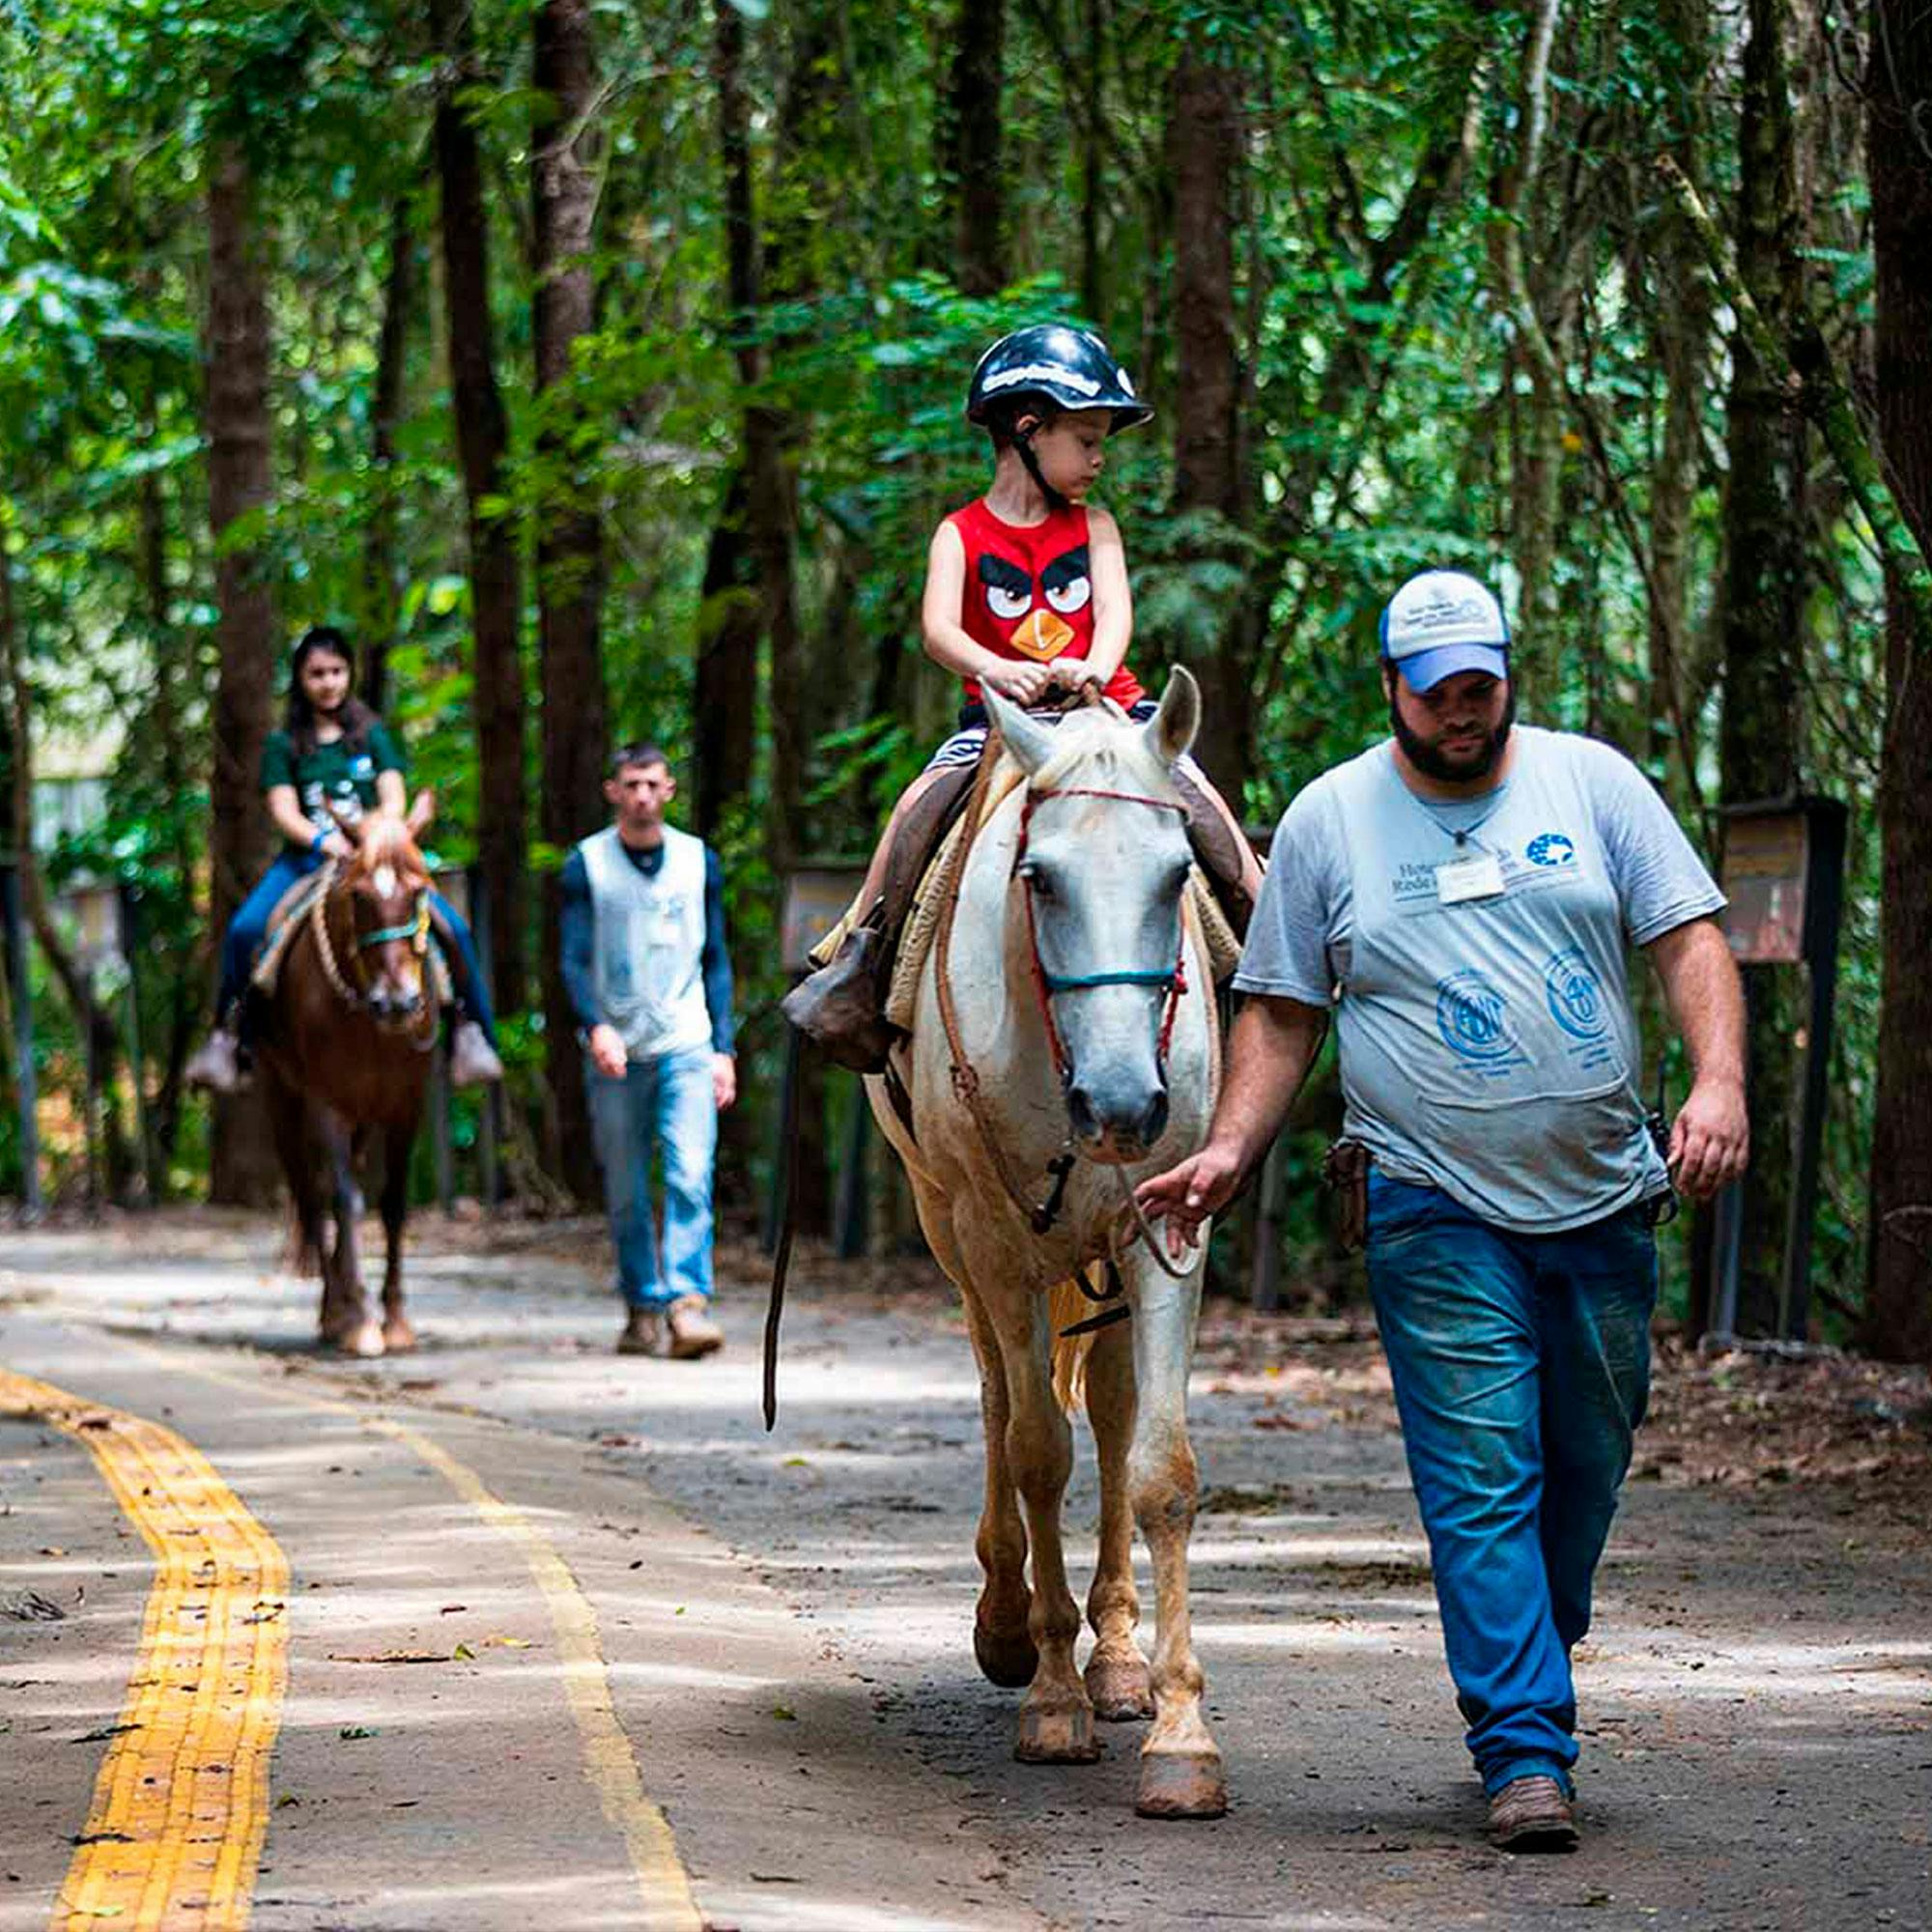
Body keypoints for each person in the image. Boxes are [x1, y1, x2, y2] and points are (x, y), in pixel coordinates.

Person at [1136, 569, 1749, 1852]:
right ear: (1391, 690)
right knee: (1482, 1479)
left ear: (1507, 673)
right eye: (1436, 693)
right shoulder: (1331, 819)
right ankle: (1523, 1745)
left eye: (1481, 685)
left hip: (1602, 1197)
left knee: (1581, 1470)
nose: (1462, 710)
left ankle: (1528, 1649)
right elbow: (1283, 1010)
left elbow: (1688, 936)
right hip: (1431, 1200)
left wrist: (1719, 1083)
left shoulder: (1594, 784)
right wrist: (1230, 1147)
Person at [783, 321, 1264, 1069]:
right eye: (1088, 440)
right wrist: (997, 671)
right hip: (1001, 722)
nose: (1099, 458)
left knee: (1200, 797)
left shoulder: (1096, 527)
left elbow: (1115, 618)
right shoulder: (960, 533)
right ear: (1028, 429)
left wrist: (1093, 668)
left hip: (1109, 712)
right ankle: (860, 955)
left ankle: (1269, 934)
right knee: (917, 805)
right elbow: (939, 630)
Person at [185, 627, 502, 1093]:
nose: (328, 682)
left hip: (375, 863)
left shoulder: (372, 734)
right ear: (300, 679)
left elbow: (393, 796)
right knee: (244, 930)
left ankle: (471, 1032)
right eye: (317, 674)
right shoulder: (283, 744)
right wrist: (323, 841)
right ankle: (229, 1039)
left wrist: (376, 837)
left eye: (336, 671)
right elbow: (283, 809)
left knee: (452, 928)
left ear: (349, 674)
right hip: (306, 862)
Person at [560, 742, 736, 1360]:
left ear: (669, 790)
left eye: (652, 784)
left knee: (691, 1173)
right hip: (617, 1047)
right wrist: (594, 1026)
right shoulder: (587, 864)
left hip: (687, 1040)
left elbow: (716, 959)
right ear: (613, 791)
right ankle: (641, 1306)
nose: (641, 796)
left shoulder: (697, 860)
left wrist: (723, 1048)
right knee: (628, 1188)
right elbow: (572, 959)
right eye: (631, 785)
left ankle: (688, 1304)